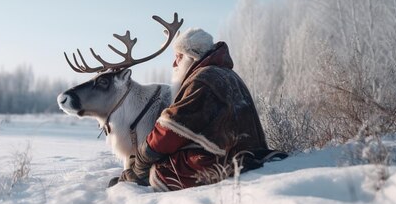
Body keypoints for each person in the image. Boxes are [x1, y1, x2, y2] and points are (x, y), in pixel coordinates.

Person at [118, 28, 285, 191]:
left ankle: (135, 185)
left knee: (160, 170)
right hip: (245, 154)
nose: (174, 63)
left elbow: (171, 128)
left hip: (221, 161)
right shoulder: (227, 74)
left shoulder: (203, 79)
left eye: (179, 57)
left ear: (192, 56)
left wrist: (143, 159)